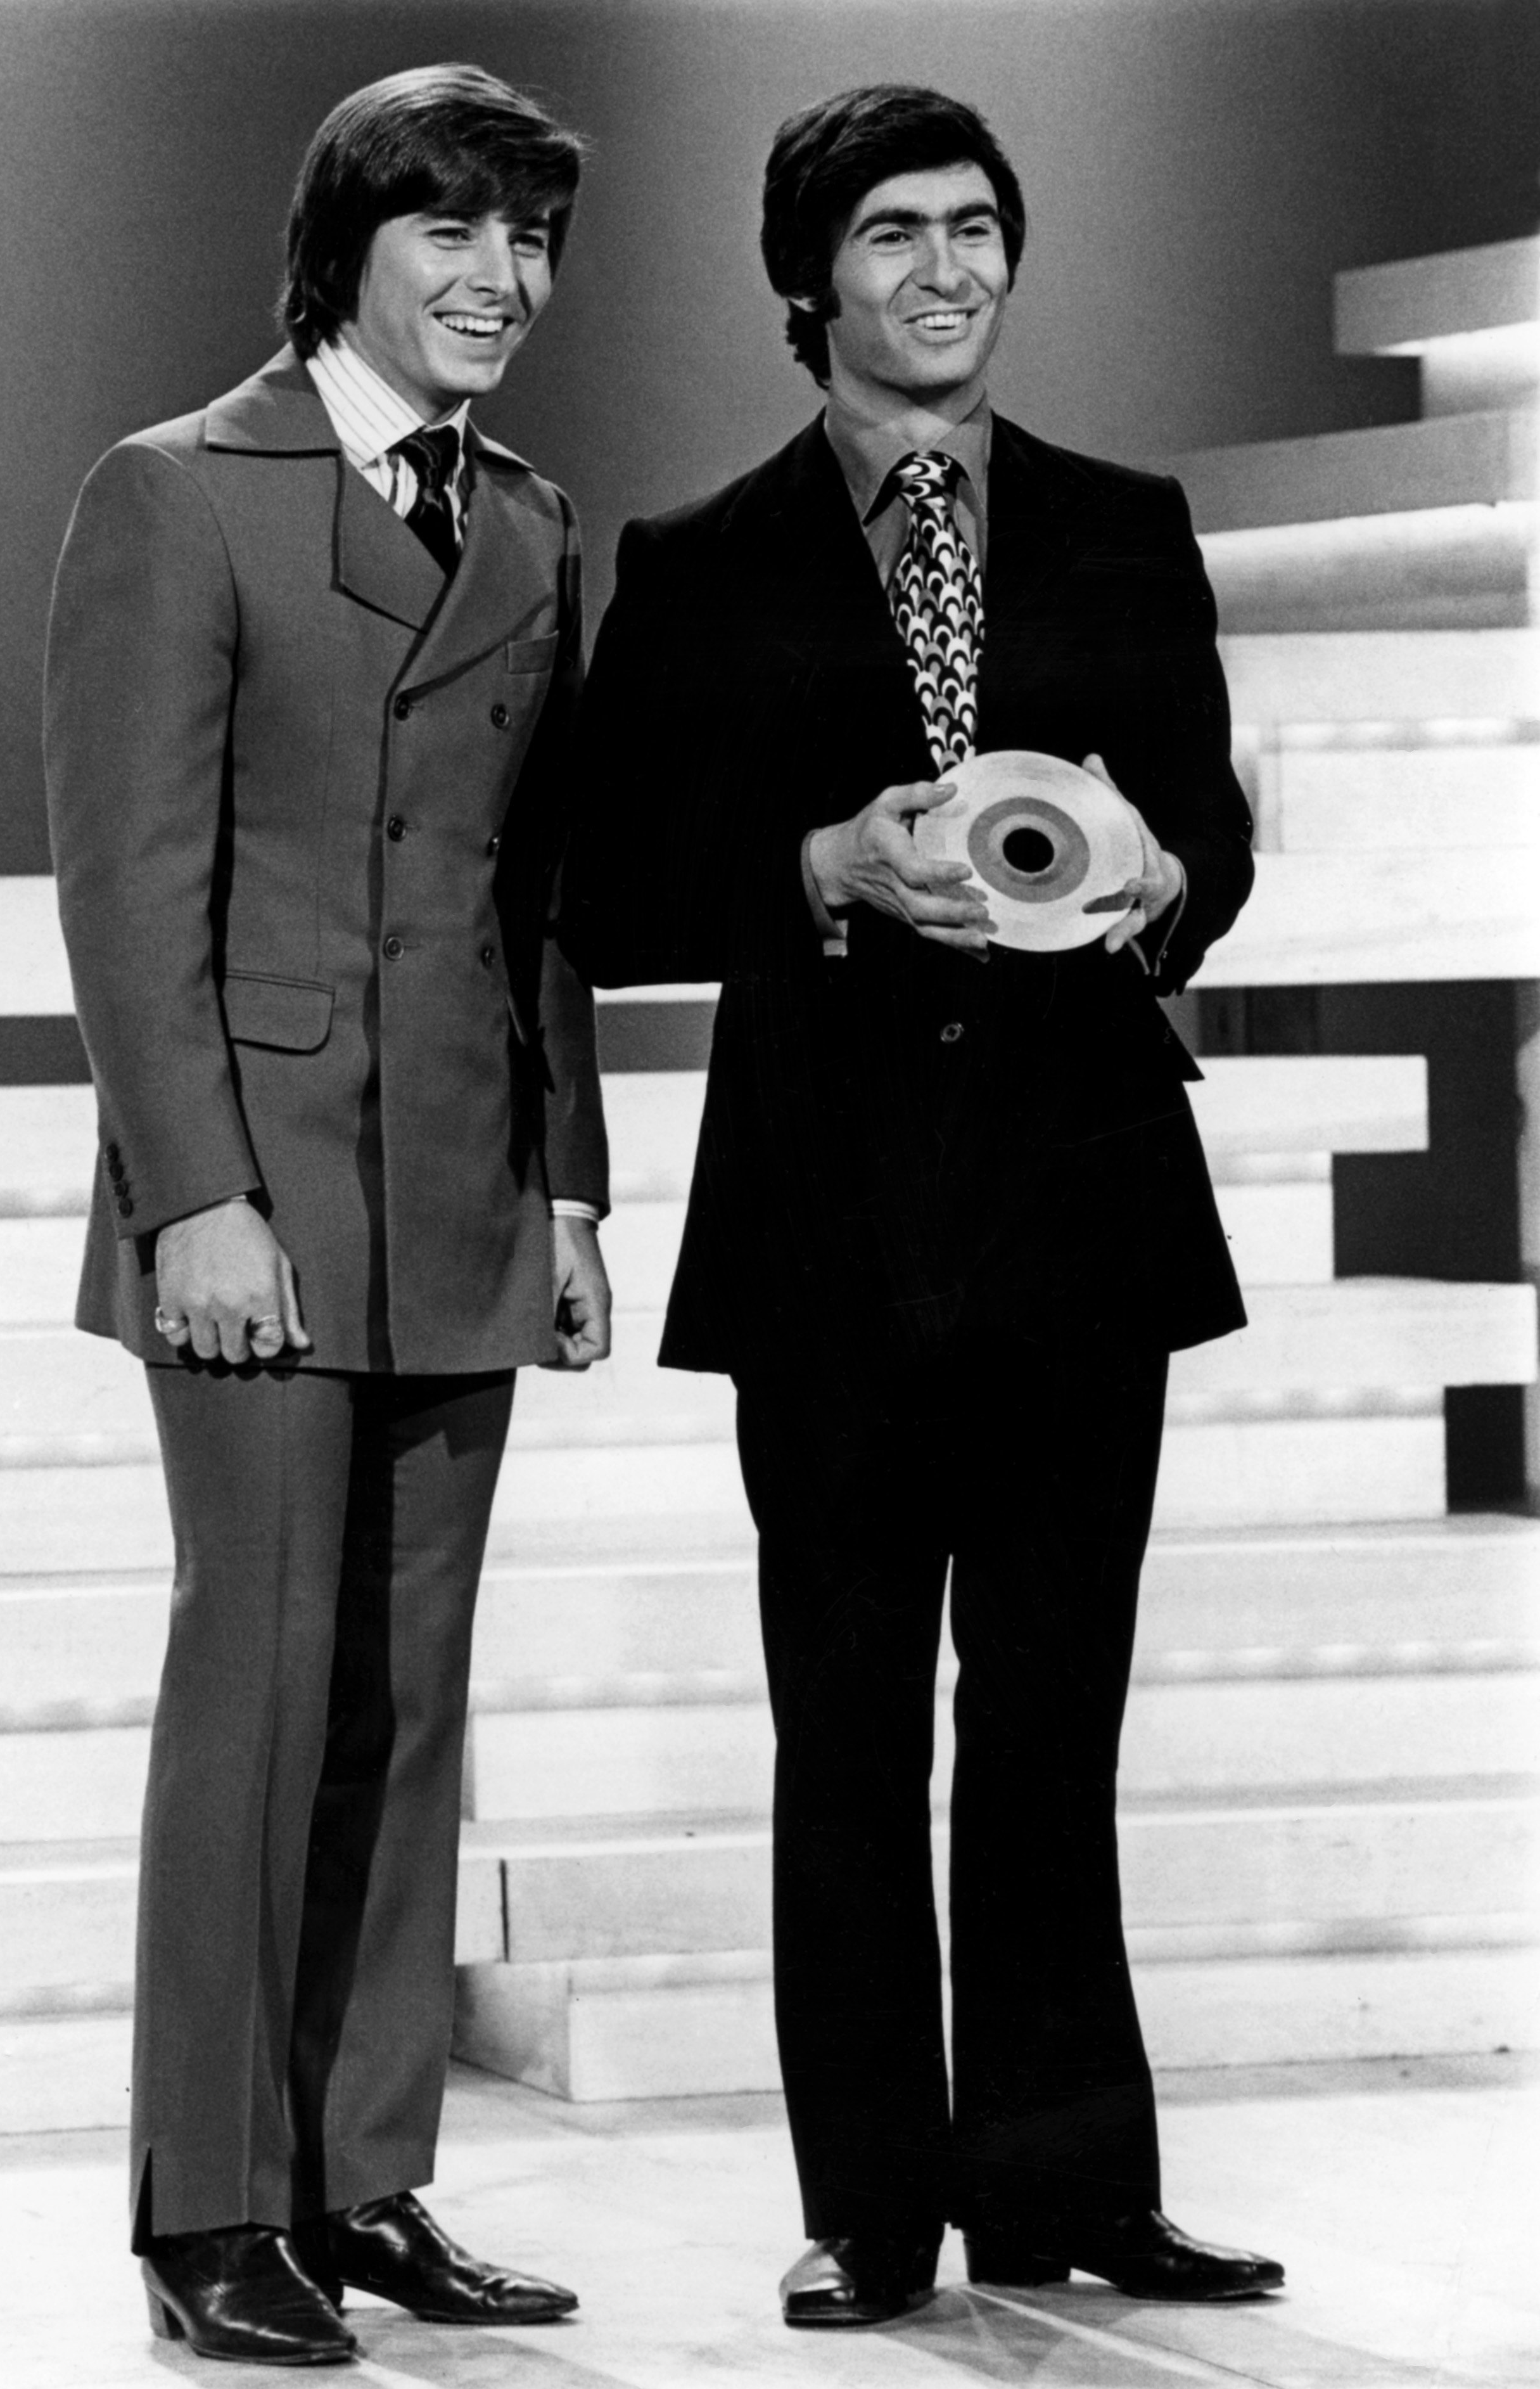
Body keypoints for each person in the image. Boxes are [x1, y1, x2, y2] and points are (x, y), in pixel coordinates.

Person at [562, 82, 1282, 2328]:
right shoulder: (695, 561)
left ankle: (1067, 2183)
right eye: (895, 233)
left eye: (978, 228)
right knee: (851, 1729)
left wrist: (1171, 880)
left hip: (1080, 1215)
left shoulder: (1120, 519)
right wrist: (813, 870)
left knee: (1054, 1724)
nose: (947, 268)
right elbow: (607, 885)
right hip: (831, 1231)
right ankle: (873, 2199)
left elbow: (1207, 833)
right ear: (813, 282)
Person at [46, 64, 609, 2367]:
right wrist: (195, 1195)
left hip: (464, 1187)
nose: (500, 280)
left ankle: (368, 2175)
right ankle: (211, 2210)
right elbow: (126, 884)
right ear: (350, 246)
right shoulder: (178, 495)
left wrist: (570, 1183)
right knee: (262, 1697)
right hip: (257, 1203)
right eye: (453, 234)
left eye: (531, 242)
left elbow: (538, 897)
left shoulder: (540, 525)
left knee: (409, 1709)